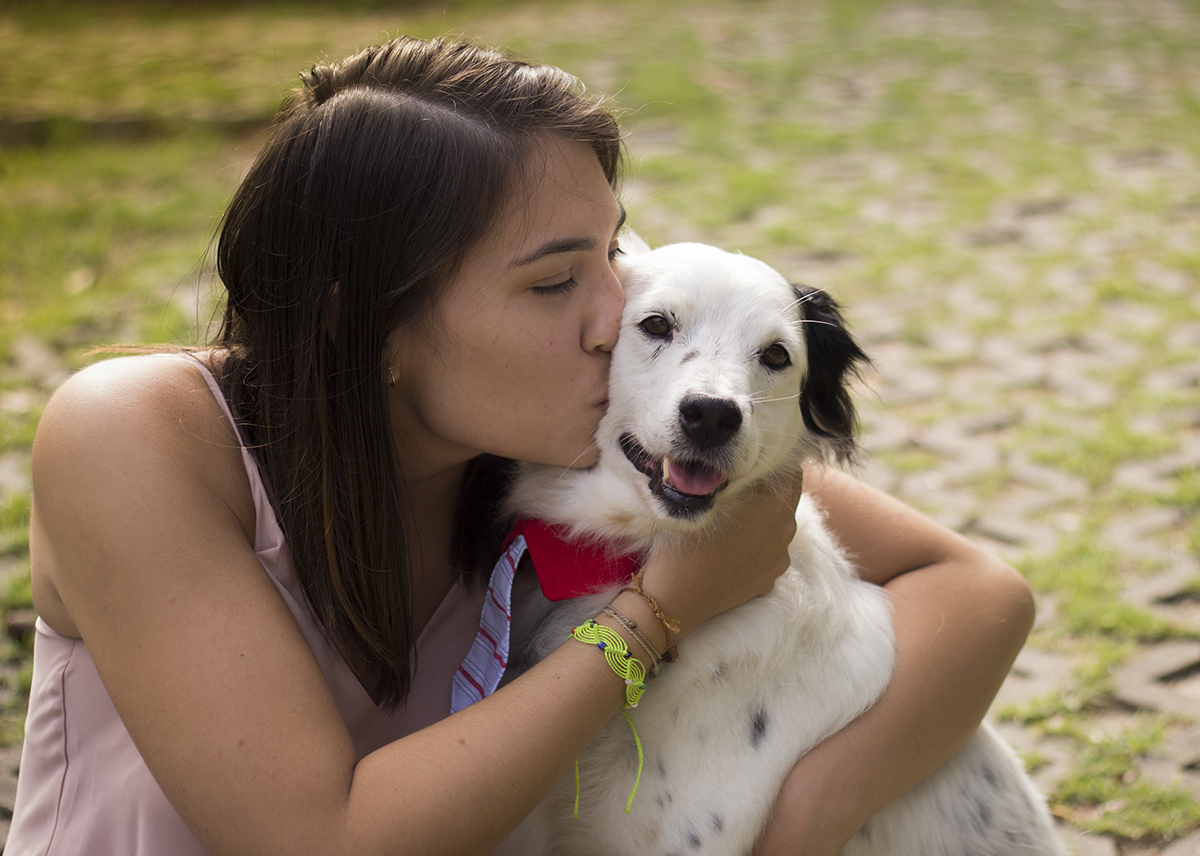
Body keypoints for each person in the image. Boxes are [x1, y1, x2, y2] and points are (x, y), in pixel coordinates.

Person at [9, 36, 1034, 856]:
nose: (613, 317)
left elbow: (978, 590)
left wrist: (806, 812)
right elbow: (319, 839)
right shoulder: (134, 433)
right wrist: (655, 616)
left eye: (611, 254)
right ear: (365, 322)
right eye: (553, 283)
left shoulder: (562, 436)